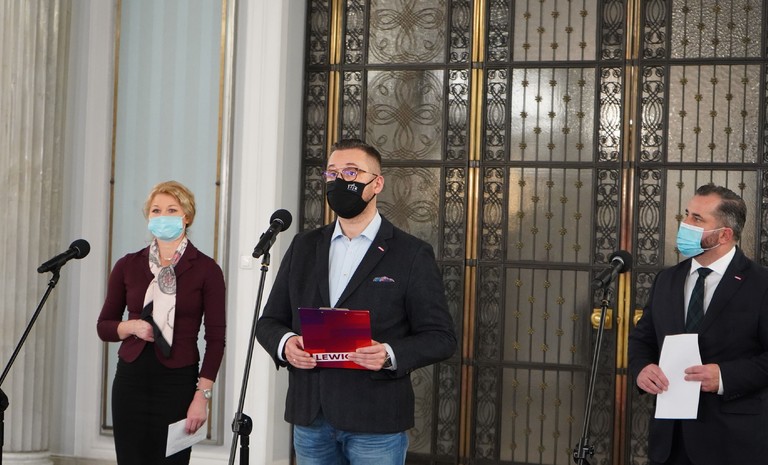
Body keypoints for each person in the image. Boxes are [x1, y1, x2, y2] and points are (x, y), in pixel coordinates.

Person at [256, 138, 457, 465]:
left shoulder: (411, 253)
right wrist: (286, 343)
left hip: (376, 420)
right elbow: (269, 322)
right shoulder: (303, 246)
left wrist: (389, 353)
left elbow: (441, 338)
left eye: (351, 172)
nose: (340, 181)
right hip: (311, 417)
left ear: (377, 183)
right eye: (332, 173)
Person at [628, 184, 768, 465]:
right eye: (687, 214)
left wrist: (724, 377)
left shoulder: (761, 284)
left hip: (733, 442)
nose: (685, 224)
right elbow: (642, 339)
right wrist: (641, 368)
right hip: (670, 441)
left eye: (697, 219)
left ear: (725, 234)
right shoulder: (667, 279)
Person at [97, 180, 226, 465]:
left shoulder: (207, 269)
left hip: (178, 384)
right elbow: (104, 326)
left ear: (186, 216)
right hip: (130, 381)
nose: (162, 216)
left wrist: (202, 396)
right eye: (156, 210)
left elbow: (216, 340)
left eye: (171, 210)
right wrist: (131, 327)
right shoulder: (128, 265)